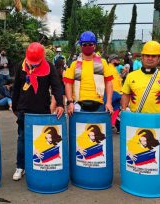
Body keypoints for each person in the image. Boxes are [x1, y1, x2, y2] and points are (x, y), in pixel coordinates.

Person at [12, 42, 64, 181]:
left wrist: (60, 104)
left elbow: (56, 87)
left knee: (41, 138)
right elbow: (16, 87)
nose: (33, 64)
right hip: (24, 110)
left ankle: (40, 163)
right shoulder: (21, 67)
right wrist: (14, 106)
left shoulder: (49, 67)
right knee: (22, 138)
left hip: (42, 109)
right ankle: (20, 166)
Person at [121, 41, 160, 124]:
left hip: (157, 121)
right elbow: (125, 95)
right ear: (142, 57)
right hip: (135, 119)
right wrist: (124, 109)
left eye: (153, 56)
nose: (150, 58)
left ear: (158, 58)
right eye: (147, 55)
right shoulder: (131, 76)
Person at [64, 31, 114, 115]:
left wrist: (109, 102)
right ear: (81, 46)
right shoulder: (74, 64)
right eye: (84, 44)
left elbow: (109, 83)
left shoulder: (103, 63)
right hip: (78, 106)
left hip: (99, 106)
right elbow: (68, 84)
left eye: (90, 44)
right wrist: (70, 102)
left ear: (94, 45)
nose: (87, 46)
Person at [105, 54, 123, 133]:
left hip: (115, 93)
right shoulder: (110, 69)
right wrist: (119, 95)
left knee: (114, 111)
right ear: (113, 60)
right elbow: (113, 83)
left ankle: (116, 126)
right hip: (115, 93)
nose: (118, 61)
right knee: (114, 110)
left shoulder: (113, 69)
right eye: (117, 60)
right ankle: (116, 126)